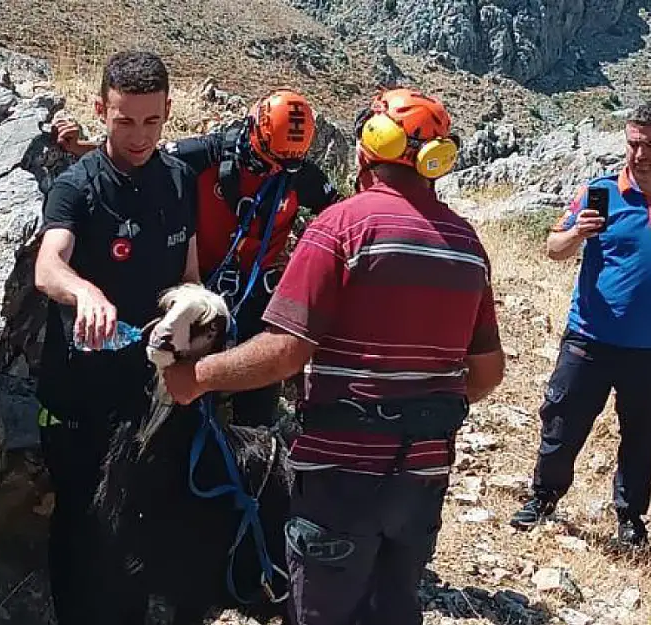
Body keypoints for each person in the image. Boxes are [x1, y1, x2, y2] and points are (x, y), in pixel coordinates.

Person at [162, 87, 506, 625]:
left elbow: (286, 351)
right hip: (424, 476)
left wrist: (197, 377)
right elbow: (488, 371)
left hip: (342, 472)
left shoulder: (341, 227)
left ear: (370, 145)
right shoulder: (466, 244)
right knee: (392, 608)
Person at [52, 89, 342, 429]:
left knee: (258, 393)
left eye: (283, 165)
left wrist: (302, 263)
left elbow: (341, 219)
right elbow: (146, 158)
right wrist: (79, 146)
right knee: (183, 389)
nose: (272, 171)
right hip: (201, 287)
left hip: (256, 291)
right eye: (266, 160)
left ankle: (250, 451)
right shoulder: (210, 153)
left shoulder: (297, 176)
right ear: (252, 133)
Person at [32, 50, 199, 625]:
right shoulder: (77, 187)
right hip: (79, 396)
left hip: (149, 392)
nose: (138, 135)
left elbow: (189, 275)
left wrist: (188, 315)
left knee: (141, 526)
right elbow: (49, 265)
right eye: (125, 120)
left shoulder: (179, 179)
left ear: (168, 113)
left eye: (152, 121)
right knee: (81, 523)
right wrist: (86, 294)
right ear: (101, 109)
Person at [509, 105, 651, 547]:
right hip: (589, 340)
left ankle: (630, 519)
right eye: (632, 143)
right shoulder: (599, 191)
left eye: (650, 145)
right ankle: (543, 499)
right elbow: (553, 247)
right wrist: (576, 235)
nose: (639, 154)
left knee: (641, 437)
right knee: (562, 424)